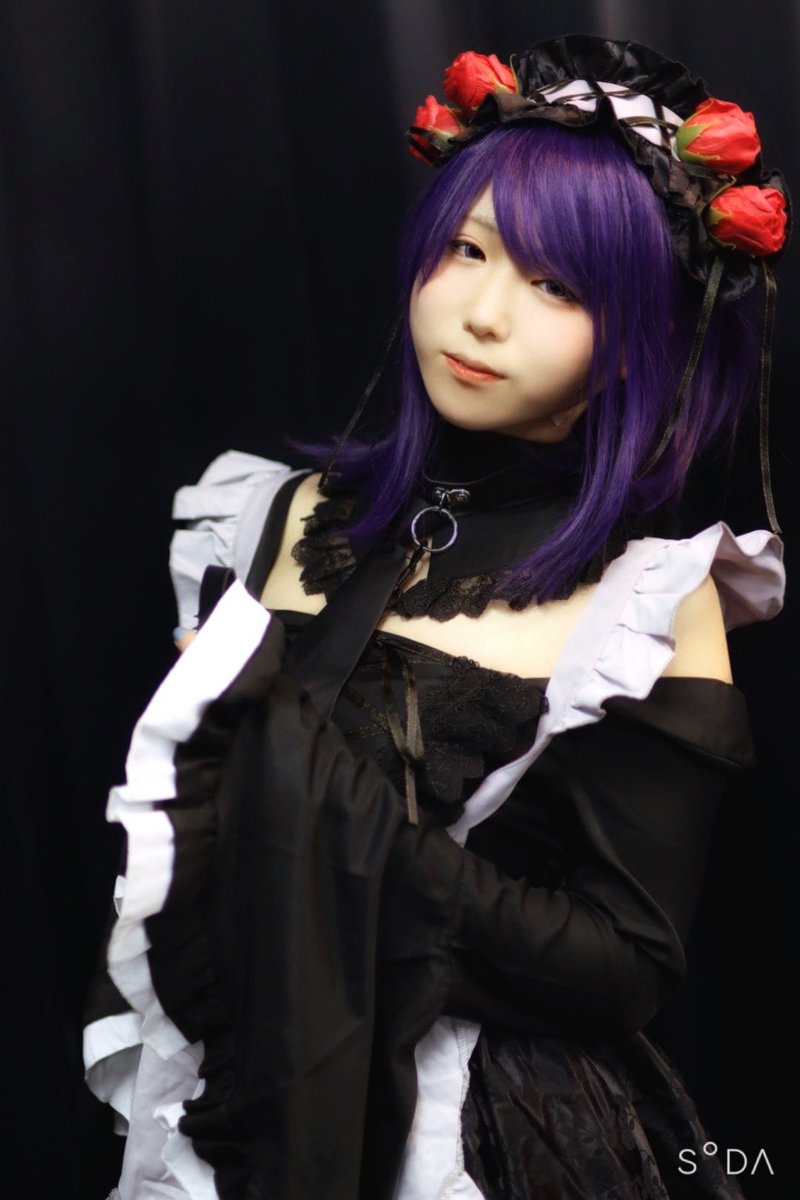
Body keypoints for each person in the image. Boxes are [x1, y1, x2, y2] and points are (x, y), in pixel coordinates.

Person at [82, 33, 789, 1200]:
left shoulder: (651, 598)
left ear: (641, 342)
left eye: (557, 286)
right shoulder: (273, 515)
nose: (481, 314)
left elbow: (623, 967)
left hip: (487, 1131)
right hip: (234, 1086)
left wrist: (324, 809)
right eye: (465, 250)